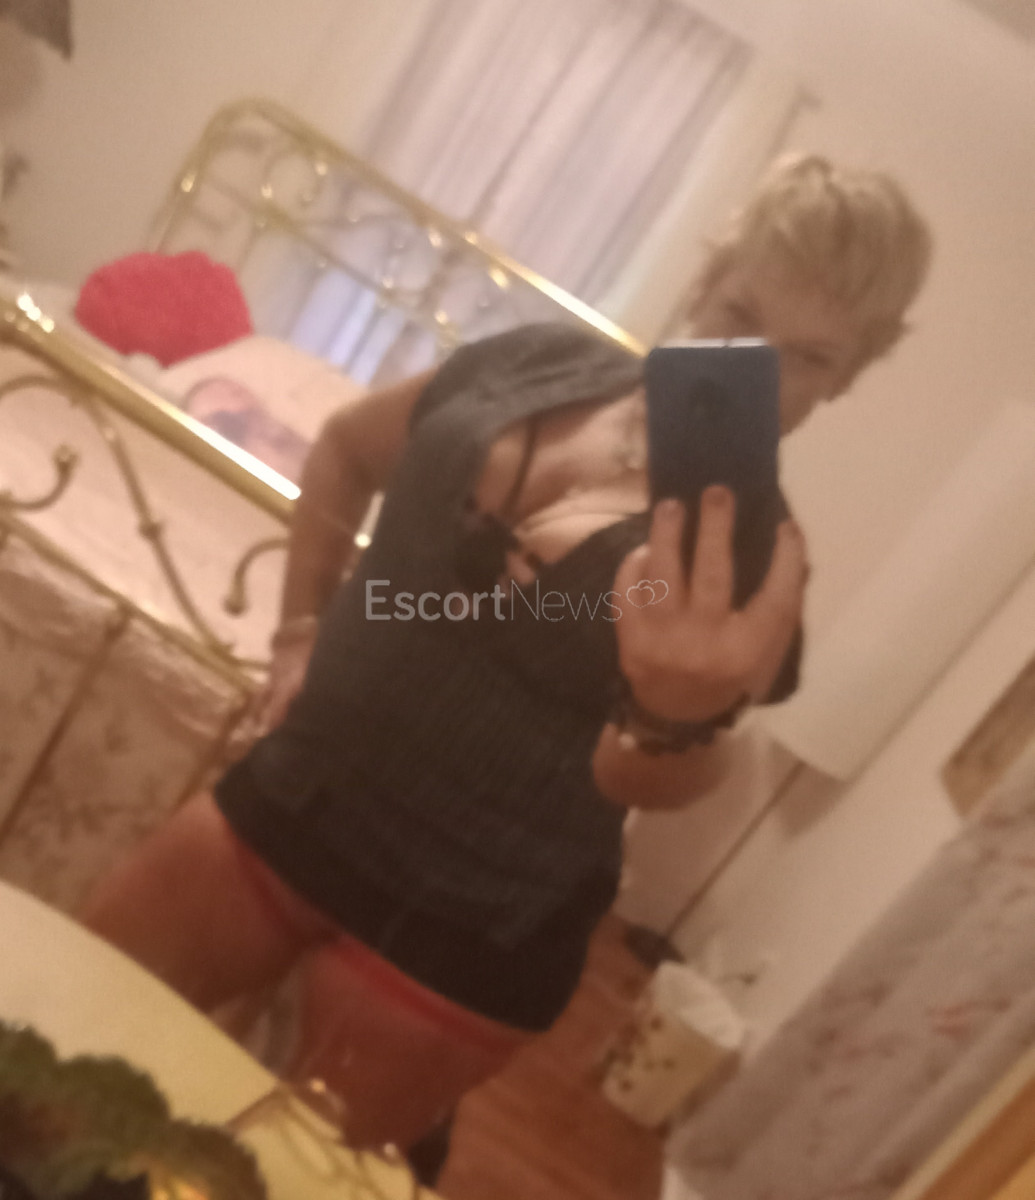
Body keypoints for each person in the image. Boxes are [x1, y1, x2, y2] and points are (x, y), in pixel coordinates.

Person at [80, 154, 930, 1160]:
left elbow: (648, 780)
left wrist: (670, 717)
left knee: (272, 1174)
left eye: (808, 356)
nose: (750, 363)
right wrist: (299, 633)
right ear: (704, 280)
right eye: (739, 310)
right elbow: (347, 448)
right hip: (302, 785)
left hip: (473, 915)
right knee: (58, 1047)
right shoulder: (534, 362)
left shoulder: (745, 559)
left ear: (847, 379)